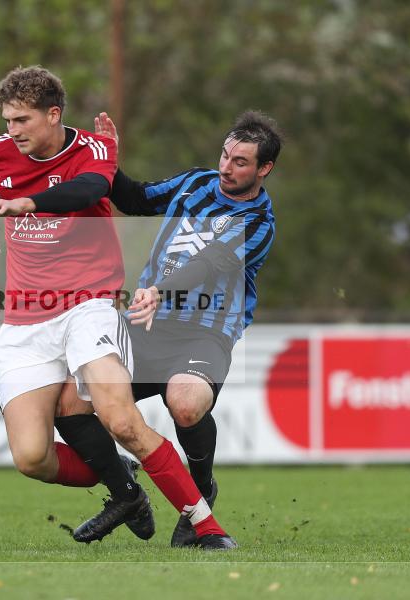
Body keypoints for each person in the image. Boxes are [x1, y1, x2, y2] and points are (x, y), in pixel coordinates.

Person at [0, 65, 236, 550]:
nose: (13, 131)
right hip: (24, 319)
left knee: (120, 417)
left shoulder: (93, 148)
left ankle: (205, 524)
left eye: (22, 120)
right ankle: (126, 490)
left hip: (88, 304)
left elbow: (90, 191)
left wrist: (26, 204)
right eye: (8, 121)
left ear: (53, 114)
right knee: (32, 458)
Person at [59, 110, 280, 547]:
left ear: (264, 169)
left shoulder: (259, 222)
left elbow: (211, 263)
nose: (226, 167)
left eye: (240, 162)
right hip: (146, 323)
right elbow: (136, 199)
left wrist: (160, 288)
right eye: (225, 154)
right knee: (70, 404)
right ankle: (126, 493)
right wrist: (108, 161)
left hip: (205, 332)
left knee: (185, 402)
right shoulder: (195, 182)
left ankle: (199, 496)